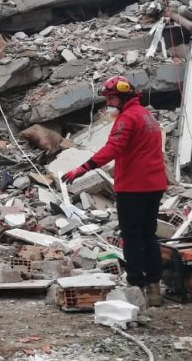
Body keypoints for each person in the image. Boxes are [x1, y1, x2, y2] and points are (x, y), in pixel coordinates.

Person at [61, 76, 168, 306]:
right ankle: (155, 288)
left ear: (123, 96)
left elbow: (112, 148)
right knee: (149, 236)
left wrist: (83, 168)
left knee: (132, 237)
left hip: (133, 186)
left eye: (111, 98)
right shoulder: (147, 116)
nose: (109, 103)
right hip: (154, 184)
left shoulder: (127, 118)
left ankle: (137, 287)